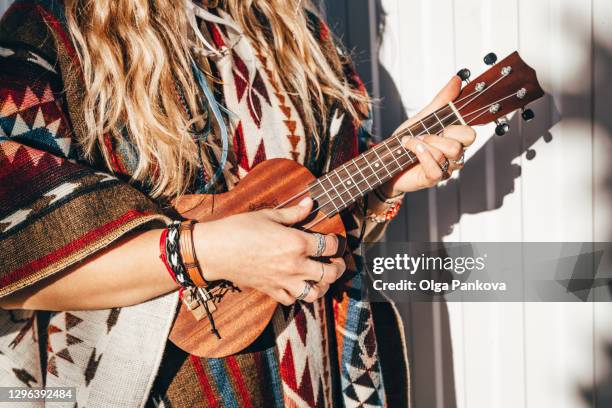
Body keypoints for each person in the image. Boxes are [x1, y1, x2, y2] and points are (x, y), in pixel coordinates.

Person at [0, 0, 475, 406]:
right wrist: (205, 252)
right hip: (153, 385)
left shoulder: (292, 33)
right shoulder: (51, 31)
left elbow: (324, 228)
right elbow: (15, 259)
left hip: (308, 374)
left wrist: (383, 185)